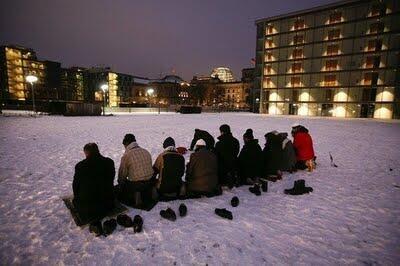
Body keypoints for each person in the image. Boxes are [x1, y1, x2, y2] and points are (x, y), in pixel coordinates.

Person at [73, 143, 115, 221]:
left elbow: (75, 186)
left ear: (86, 153)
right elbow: (111, 180)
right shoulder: (109, 162)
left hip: (88, 209)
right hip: (108, 205)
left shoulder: (80, 166)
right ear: (98, 150)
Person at [116, 134, 155, 206]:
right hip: (150, 183)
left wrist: (120, 185)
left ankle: (137, 195)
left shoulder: (127, 155)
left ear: (126, 144)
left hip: (137, 185)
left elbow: (122, 175)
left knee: (121, 186)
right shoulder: (146, 151)